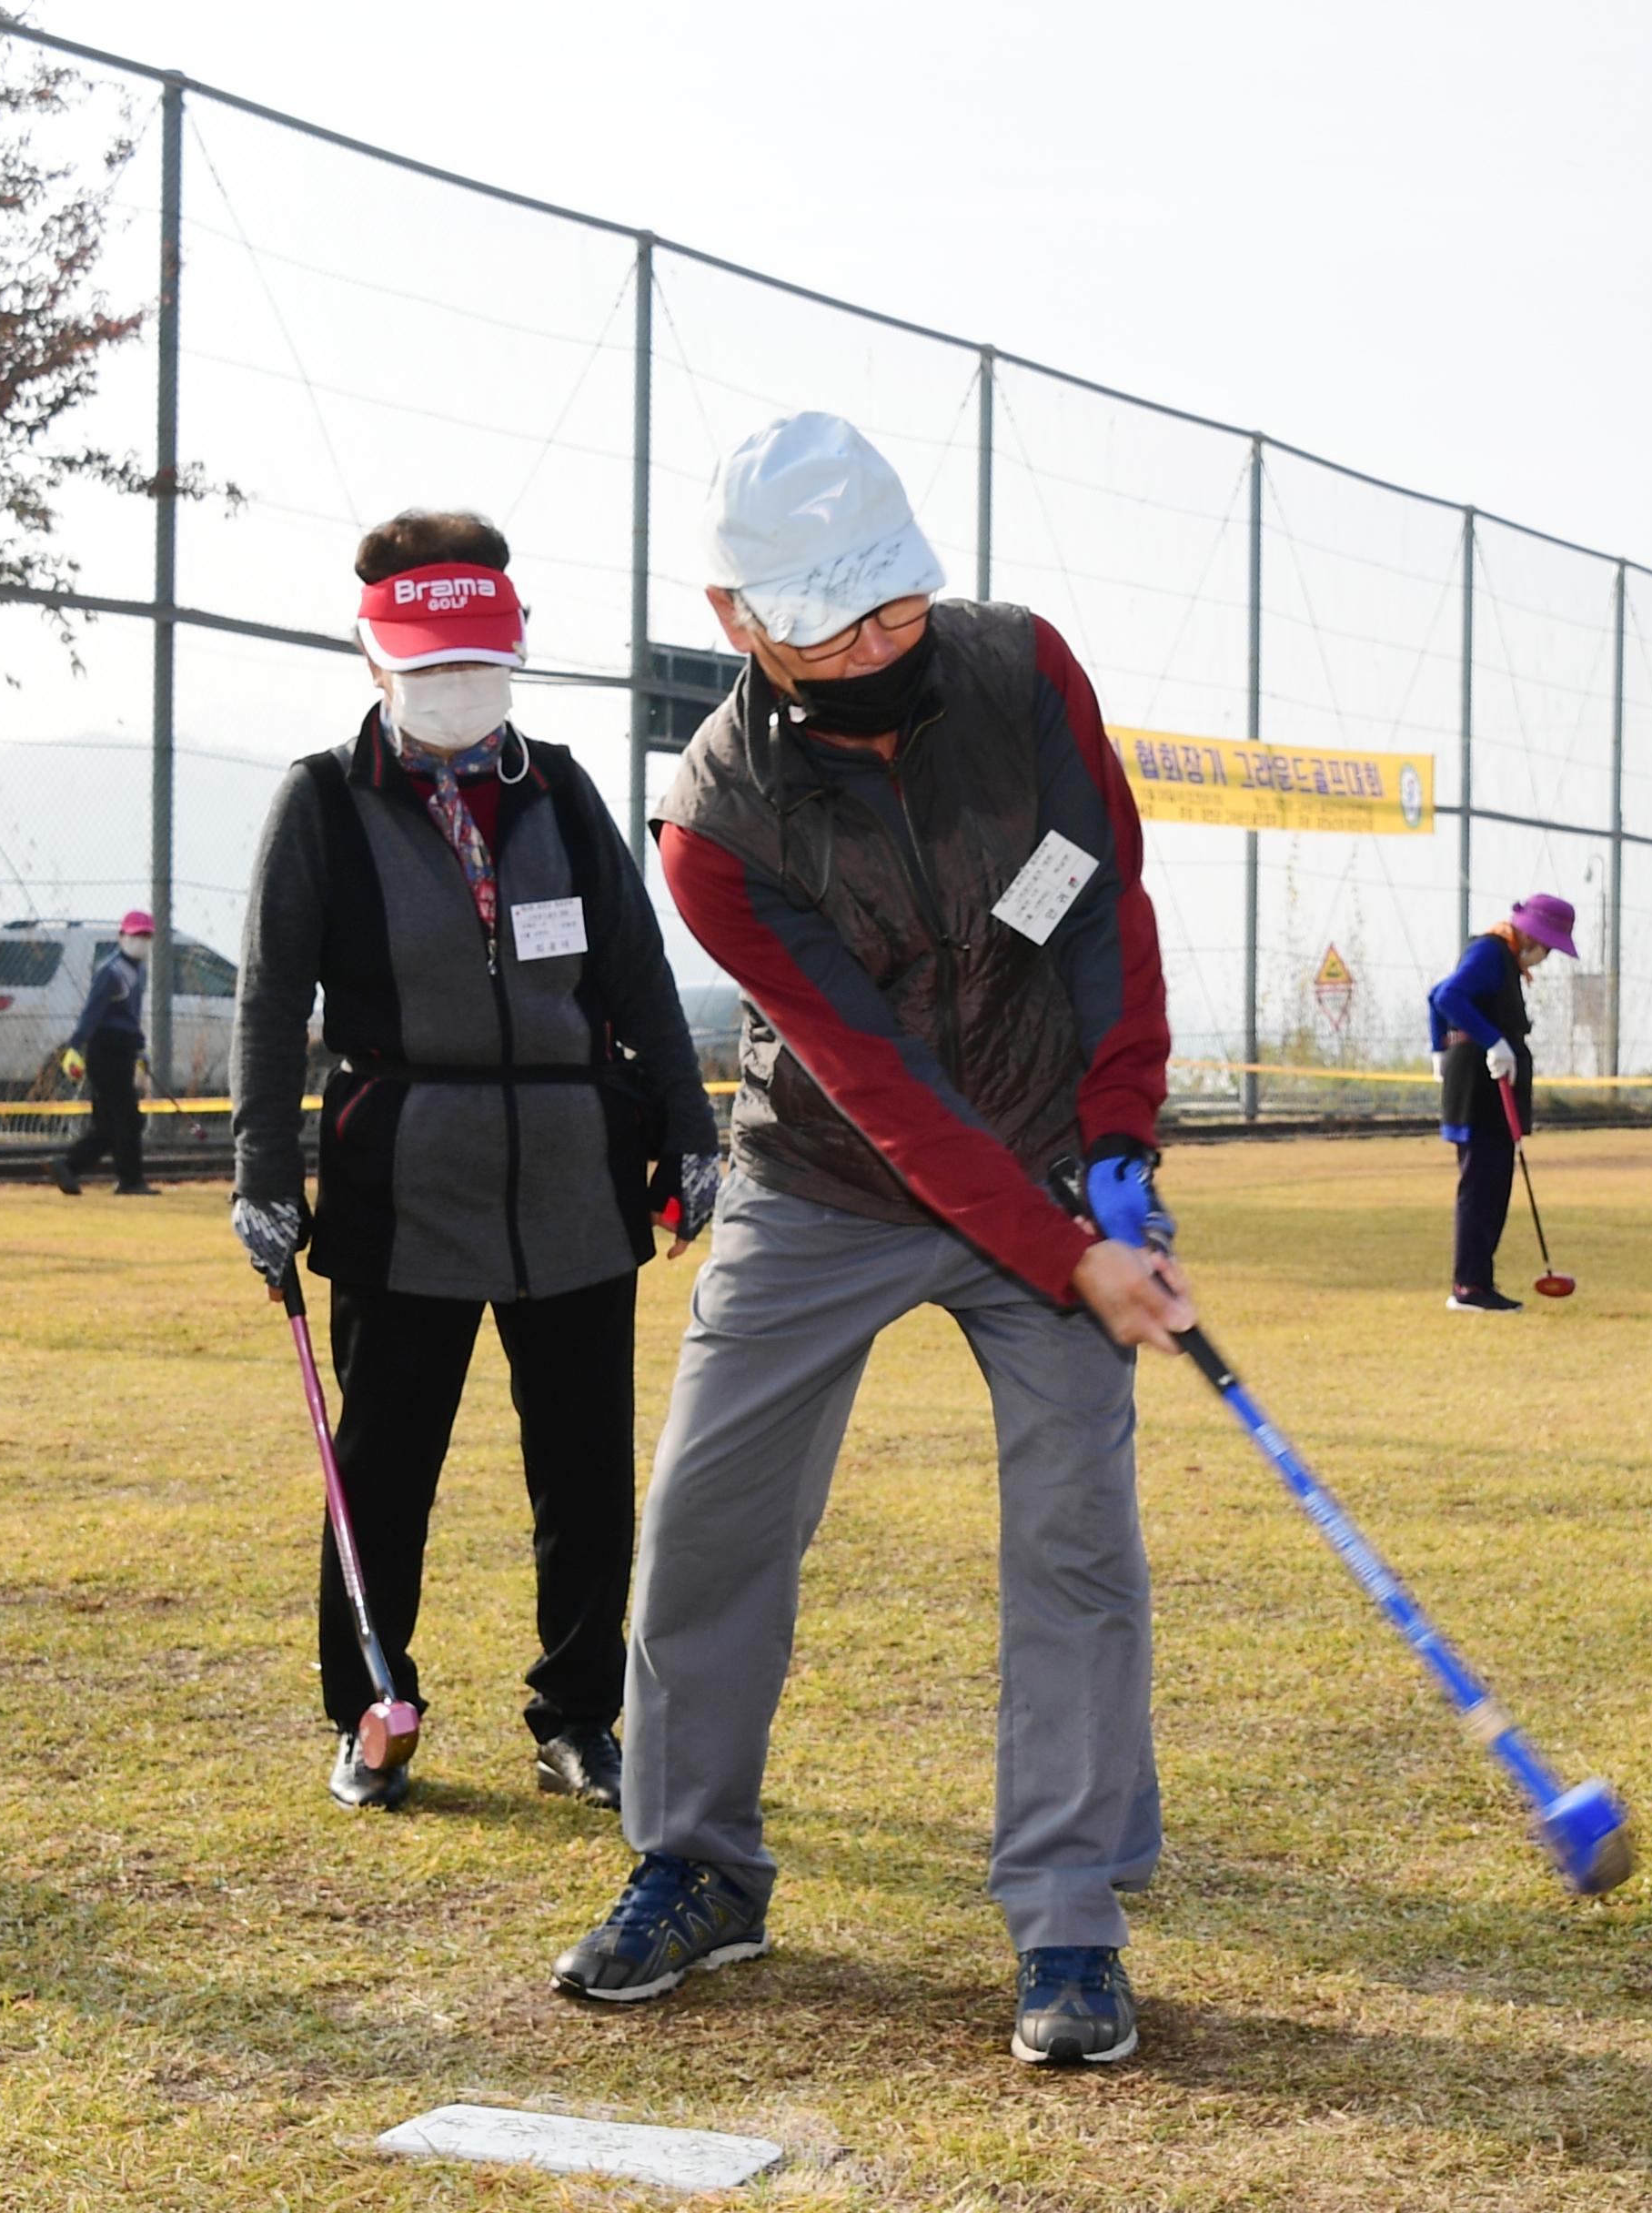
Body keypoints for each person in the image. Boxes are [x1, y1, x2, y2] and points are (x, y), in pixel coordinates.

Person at [555, 412, 1184, 2071]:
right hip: (827, 1174)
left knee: (1072, 1535)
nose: (874, 646)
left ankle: (1066, 1914)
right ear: (736, 618)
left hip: (1049, 1149)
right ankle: (695, 1859)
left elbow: (1101, 906)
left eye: (893, 605)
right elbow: (886, 1087)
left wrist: (1114, 1151)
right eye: (827, 623)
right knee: (707, 1516)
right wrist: (1063, 1254)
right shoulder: (710, 827)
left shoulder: (1021, 669)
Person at [227, 509, 720, 1818]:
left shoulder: (560, 787)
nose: (459, 693)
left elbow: (638, 974)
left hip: (575, 1175)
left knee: (585, 1471)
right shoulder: (322, 803)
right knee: (385, 1467)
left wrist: (689, 1128)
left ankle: (578, 1714)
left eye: (479, 667)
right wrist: (261, 1171)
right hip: (404, 1182)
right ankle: (371, 1708)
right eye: (430, 666)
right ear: (376, 661)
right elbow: (273, 1002)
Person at [1425, 894, 1580, 1311]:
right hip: (1479, 1085)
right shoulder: (1491, 953)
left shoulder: (1500, 956)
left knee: (1493, 1185)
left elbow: (1435, 995)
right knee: (1482, 1187)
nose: (1546, 956)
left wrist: (1439, 1046)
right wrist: (1489, 1041)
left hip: (1486, 1082)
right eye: (1548, 947)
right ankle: (1470, 1288)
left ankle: (1478, 1283)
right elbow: (1448, 997)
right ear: (1532, 935)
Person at [53, 911, 158, 1197]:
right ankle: (130, 1180)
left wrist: (139, 1047)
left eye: (146, 937)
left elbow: (133, 1015)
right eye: (136, 936)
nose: (141, 942)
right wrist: (75, 1046)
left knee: (110, 1124)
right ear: (122, 937)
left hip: (123, 1048)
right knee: (126, 1119)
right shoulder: (110, 971)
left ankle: (70, 1166)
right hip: (106, 1050)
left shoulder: (140, 971)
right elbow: (92, 1012)